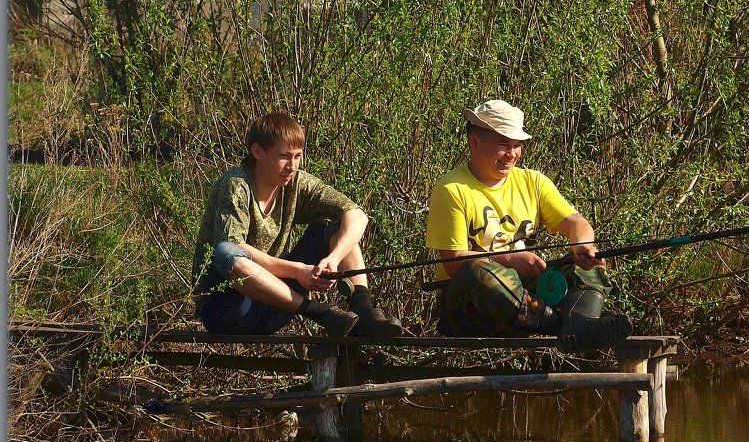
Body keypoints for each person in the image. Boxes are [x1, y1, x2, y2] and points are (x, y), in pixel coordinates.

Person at [424, 99, 633, 351]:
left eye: (517, 146)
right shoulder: (451, 190)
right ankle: (569, 325)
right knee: (476, 270)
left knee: (588, 264)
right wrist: (511, 259)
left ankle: (578, 325)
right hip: (469, 308)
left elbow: (575, 222)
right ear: (475, 142)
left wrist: (583, 246)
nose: (512, 154)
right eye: (503, 145)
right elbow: (453, 259)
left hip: (526, 298)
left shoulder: (533, 181)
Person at [191, 112, 402, 338]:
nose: (292, 166)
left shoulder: (297, 183)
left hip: (275, 305)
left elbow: (357, 215)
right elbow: (233, 248)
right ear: (258, 152)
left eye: (297, 156)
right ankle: (321, 313)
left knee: (339, 225)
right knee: (226, 250)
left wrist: (333, 258)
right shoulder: (236, 185)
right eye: (284, 156)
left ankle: (363, 311)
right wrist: (299, 271)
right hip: (228, 310)